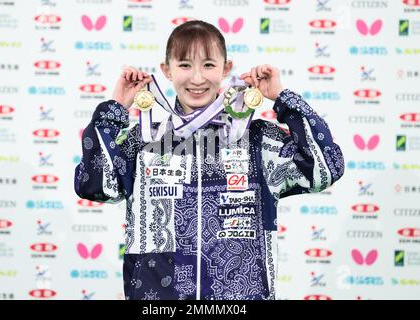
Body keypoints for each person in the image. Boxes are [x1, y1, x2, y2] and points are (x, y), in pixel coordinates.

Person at [74, 20, 344, 300]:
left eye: (208, 65)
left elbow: (324, 167)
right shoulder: (145, 139)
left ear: (226, 69)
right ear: (166, 70)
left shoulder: (256, 139)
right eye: (185, 65)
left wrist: (282, 98)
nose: (197, 78)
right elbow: (94, 184)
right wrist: (115, 109)